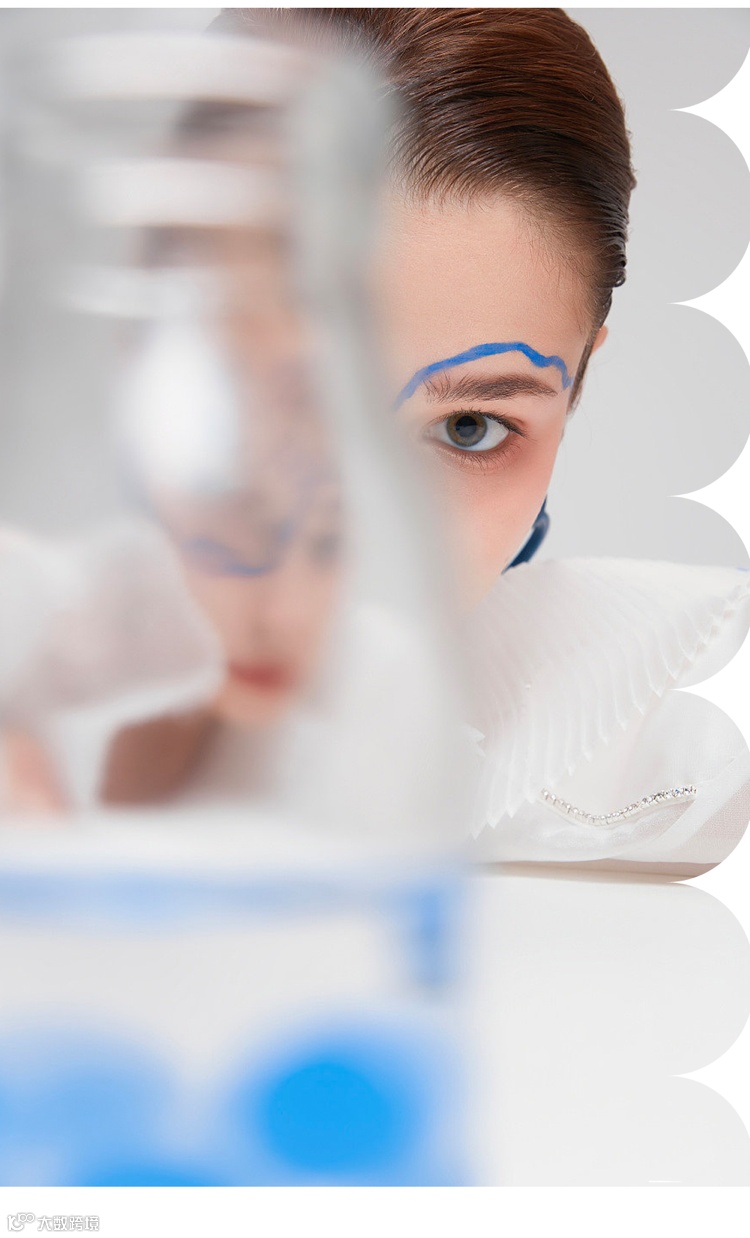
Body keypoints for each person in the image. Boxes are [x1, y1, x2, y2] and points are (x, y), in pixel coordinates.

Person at [4, 8, 749, 875]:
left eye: (470, 429)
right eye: (277, 402)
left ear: (577, 387)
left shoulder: (668, 733)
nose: (356, 532)